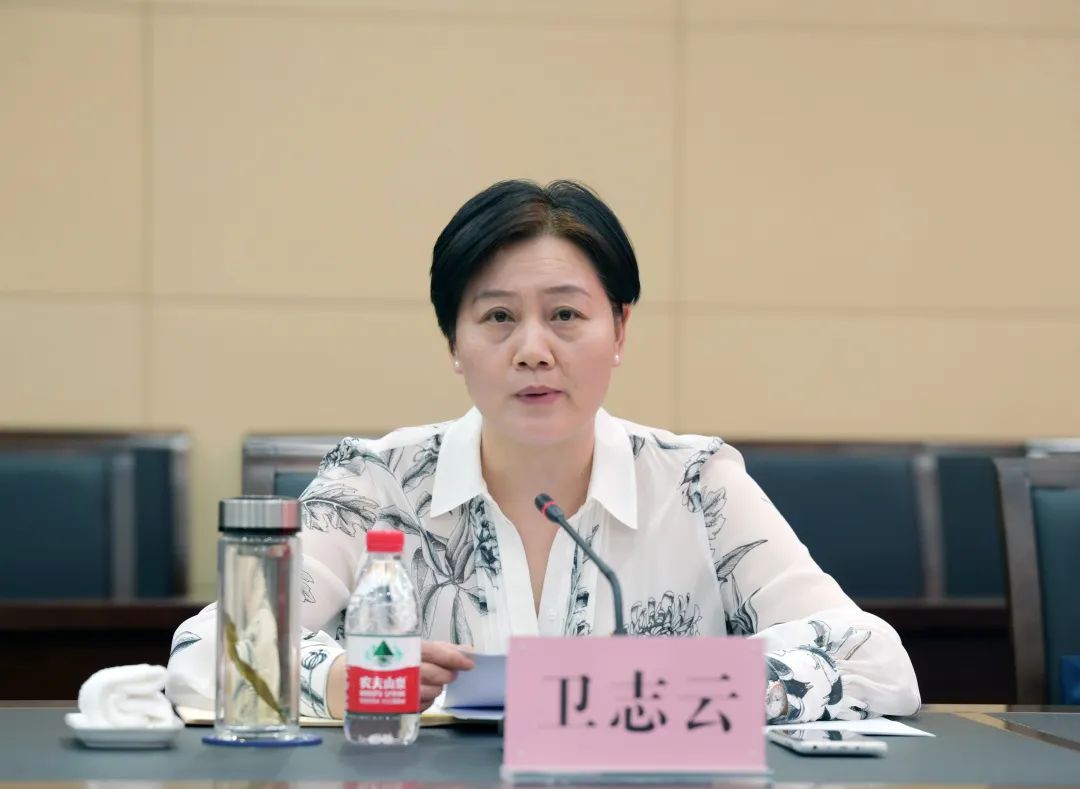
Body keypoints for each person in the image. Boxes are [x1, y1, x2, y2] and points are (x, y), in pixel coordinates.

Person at [166, 179, 921, 723]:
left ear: (619, 330)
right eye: (498, 317)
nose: (533, 350)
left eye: (565, 315)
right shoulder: (378, 483)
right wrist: (338, 681)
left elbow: (877, 661)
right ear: (453, 343)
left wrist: (669, 689)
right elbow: (205, 649)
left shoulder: (695, 484)